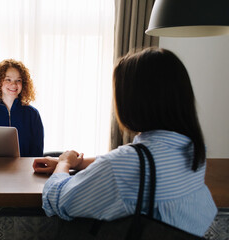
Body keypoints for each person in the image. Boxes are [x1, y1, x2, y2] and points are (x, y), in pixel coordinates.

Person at [32, 47, 217, 237]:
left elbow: (59, 198)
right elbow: (144, 162)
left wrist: (63, 163)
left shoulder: (123, 164)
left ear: (134, 101)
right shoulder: (193, 148)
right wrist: (79, 163)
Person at [0, 59, 44, 157]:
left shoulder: (33, 114)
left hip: (25, 170)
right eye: (8, 79)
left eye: (18, 80)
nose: (13, 84)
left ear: (24, 84)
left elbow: (37, 151)